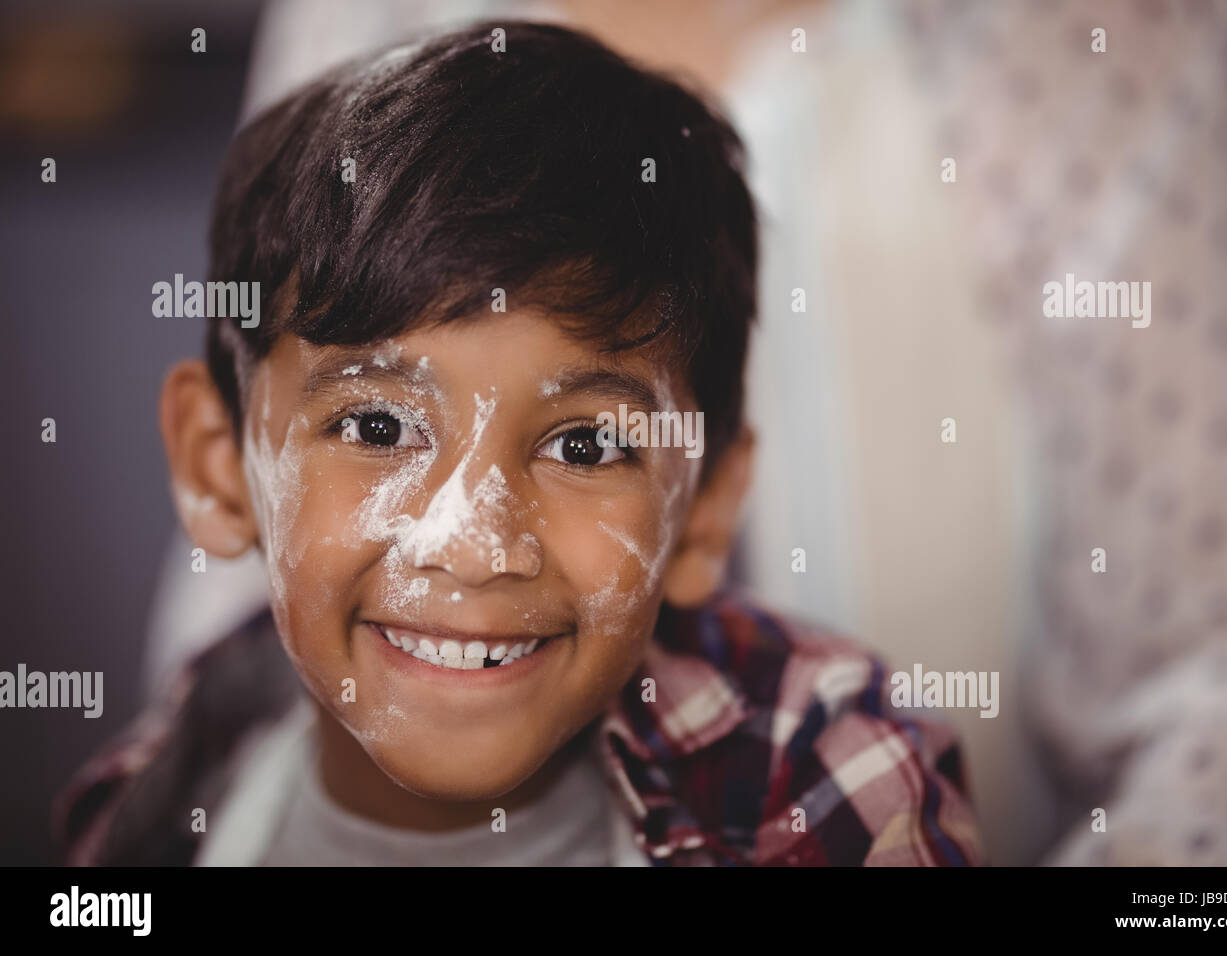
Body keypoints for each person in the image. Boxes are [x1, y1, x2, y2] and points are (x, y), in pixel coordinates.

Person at [54, 19, 985, 866]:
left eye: (584, 447)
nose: (473, 543)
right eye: (378, 427)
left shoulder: (827, 778)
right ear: (219, 468)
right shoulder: (149, 809)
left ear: (703, 509)